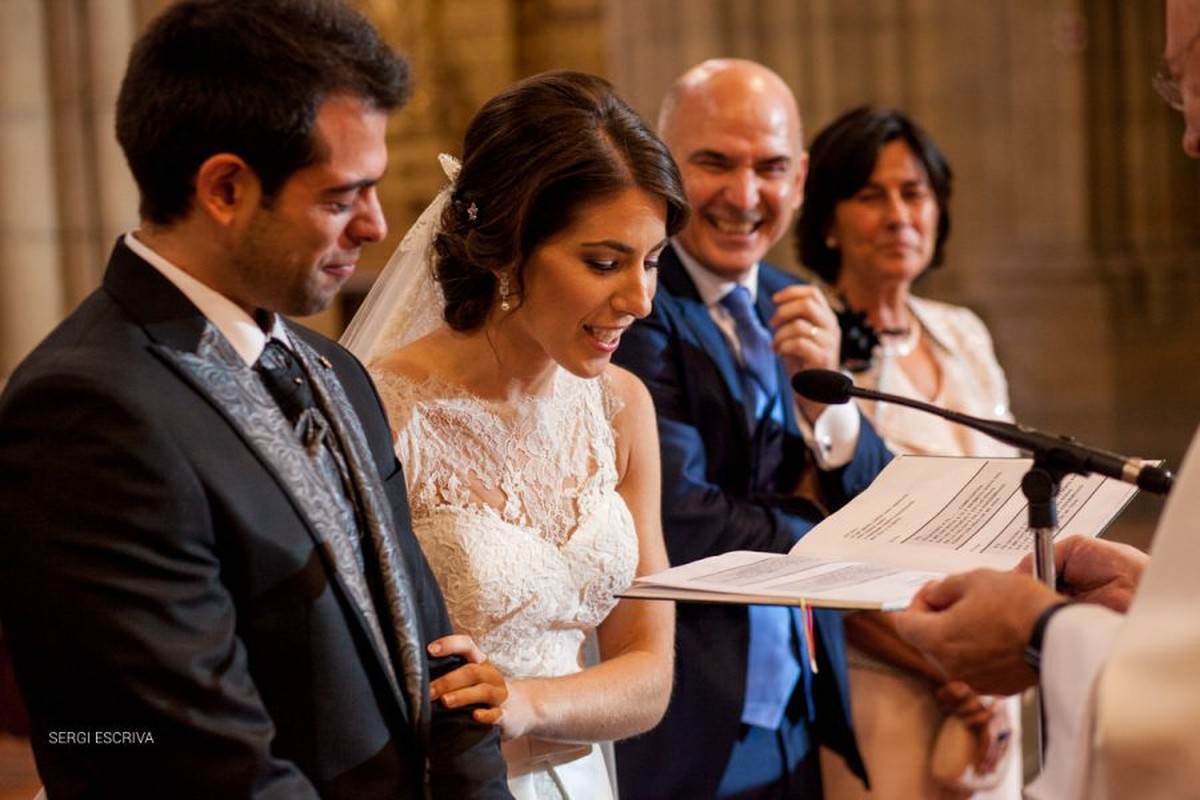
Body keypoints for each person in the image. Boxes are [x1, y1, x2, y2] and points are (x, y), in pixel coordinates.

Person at [0, 2, 511, 798]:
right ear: (227, 187)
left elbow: (438, 654)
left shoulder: (333, 370)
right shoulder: (87, 410)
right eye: (344, 196)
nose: (377, 226)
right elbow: (187, 758)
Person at [341, 70, 684, 799]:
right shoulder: (385, 411)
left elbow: (650, 675)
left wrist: (528, 702)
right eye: (604, 262)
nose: (640, 299)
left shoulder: (622, 409)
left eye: (651, 261)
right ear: (505, 248)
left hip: (581, 776)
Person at [893, 3, 1200, 796]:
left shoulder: (959, 331)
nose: (1189, 134)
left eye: (1191, 71)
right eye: (1177, 86)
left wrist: (1042, 631)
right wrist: (1155, 597)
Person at [610, 58, 894, 798]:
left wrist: (828, 412)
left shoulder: (792, 299)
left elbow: (882, 499)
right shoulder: (633, 308)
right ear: (665, 168)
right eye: (714, 163)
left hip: (796, 702)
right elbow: (684, 518)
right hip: (687, 711)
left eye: (770, 168)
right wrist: (834, 538)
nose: (744, 195)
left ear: (799, 181)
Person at [796, 106, 1021, 799]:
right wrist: (950, 675)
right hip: (888, 679)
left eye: (914, 192)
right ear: (828, 221)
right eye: (871, 196)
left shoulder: (963, 333)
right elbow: (818, 558)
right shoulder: (813, 349)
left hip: (995, 676)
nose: (899, 214)